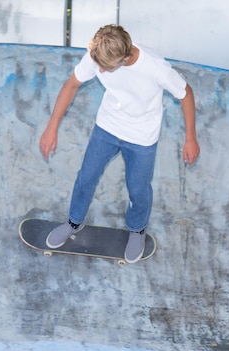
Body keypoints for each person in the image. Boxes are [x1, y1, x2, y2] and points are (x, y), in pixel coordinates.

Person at [39, 24, 199, 263]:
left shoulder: (156, 68)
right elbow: (71, 84)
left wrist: (191, 138)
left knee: (138, 189)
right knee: (86, 177)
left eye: (105, 67)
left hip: (142, 137)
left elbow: (186, 93)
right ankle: (74, 221)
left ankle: (137, 229)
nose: (100, 70)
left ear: (125, 58)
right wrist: (52, 126)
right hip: (108, 127)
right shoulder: (100, 52)